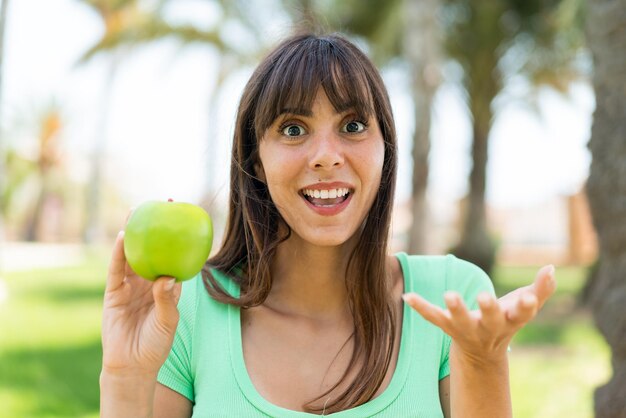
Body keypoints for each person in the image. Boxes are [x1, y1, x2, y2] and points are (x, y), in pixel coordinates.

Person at [100, 32, 556, 418]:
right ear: (255, 159)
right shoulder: (185, 310)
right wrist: (126, 376)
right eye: (294, 129)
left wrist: (482, 359)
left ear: (385, 150)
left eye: (353, 125)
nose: (326, 155)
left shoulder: (450, 298)